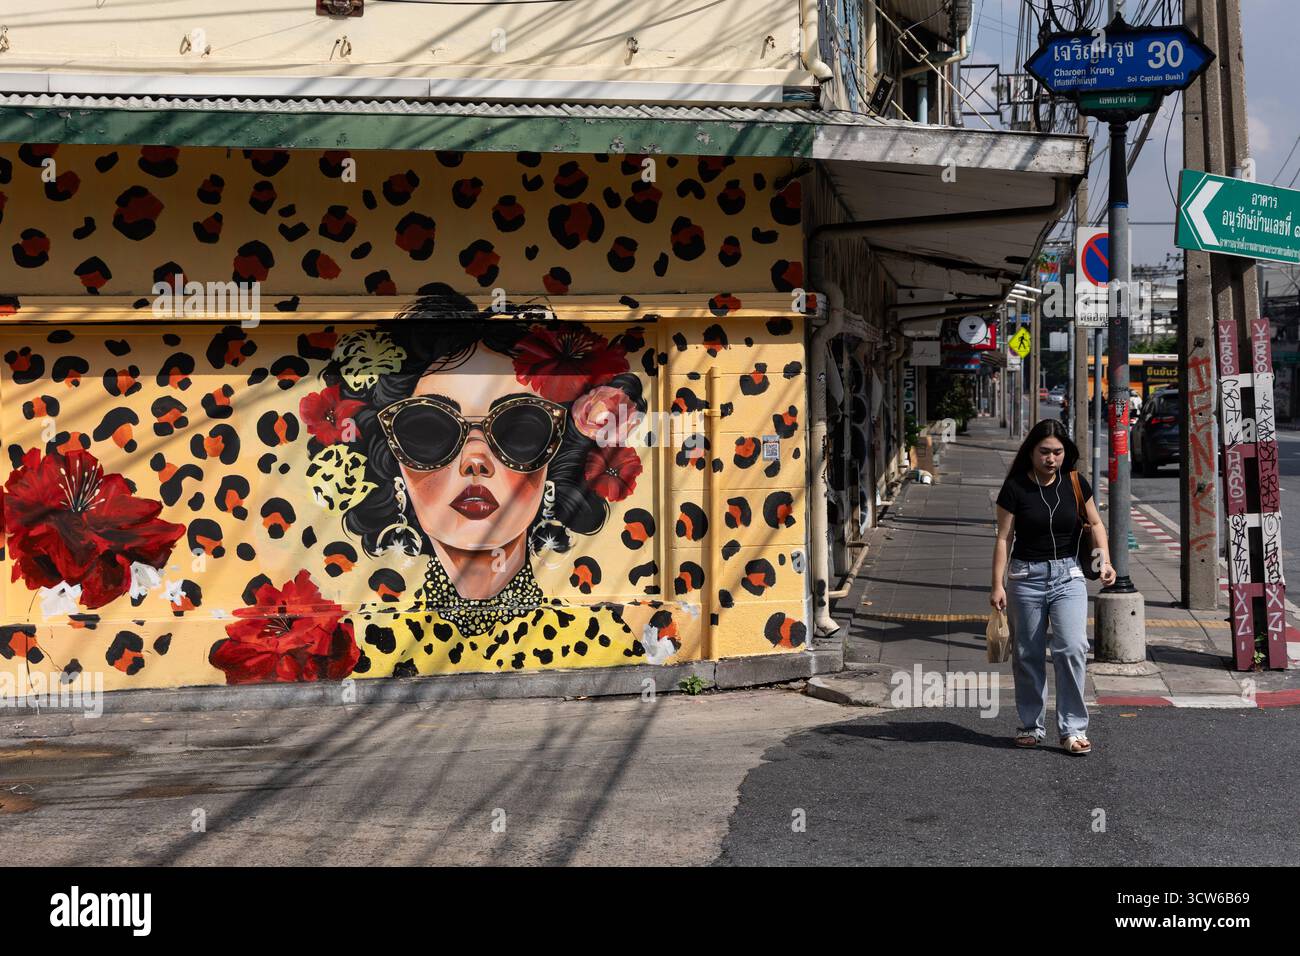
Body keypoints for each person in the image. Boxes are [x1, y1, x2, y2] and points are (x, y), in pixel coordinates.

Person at [990, 419, 1114, 754]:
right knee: (1027, 654)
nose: (1051, 458)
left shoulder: (1075, 482)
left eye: (1057, 452)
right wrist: (997, 585)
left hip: (1069, 575)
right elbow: (1004, 538)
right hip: (1024, 577)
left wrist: (1105, 561)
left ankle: (1073, 729)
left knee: (1072, 648)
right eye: (1044, 452)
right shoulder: (1015, 488)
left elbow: (1096, 523)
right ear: (1031, 452)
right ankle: (1031, 725)